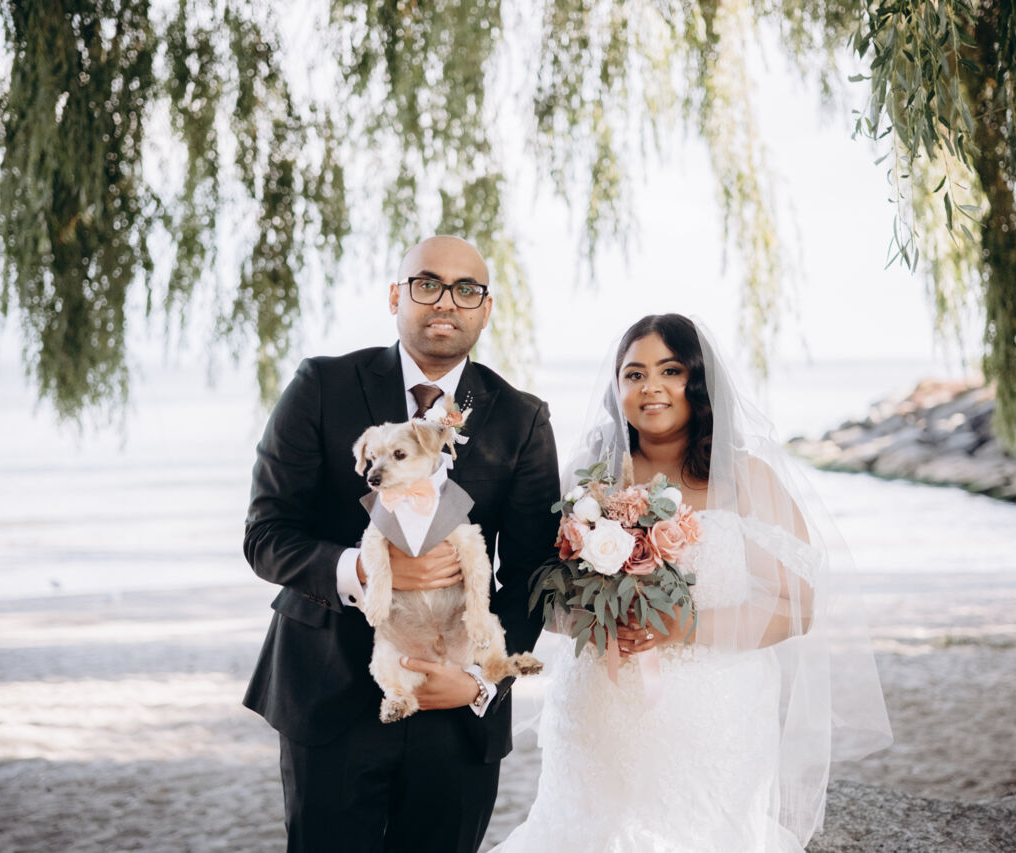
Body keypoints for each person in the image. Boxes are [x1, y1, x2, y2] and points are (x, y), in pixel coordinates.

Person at [492, 314, 891, 852]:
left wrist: (686, 624)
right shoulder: (592, 479)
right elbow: (546, 596)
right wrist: (599, 618)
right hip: (595, 711)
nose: (650, 387)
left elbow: (797, 604)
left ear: (698, 382)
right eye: (634, 374)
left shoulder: (746, 478)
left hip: (712, 717)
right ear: (617, 389)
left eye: (670, 370)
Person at [242, 235, 561, 853]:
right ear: (396, 296)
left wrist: (478, 680)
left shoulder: (521, 418)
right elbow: (266, 534)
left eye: (466, 289)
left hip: (455, 705)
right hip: (329, 693)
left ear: (486, 308)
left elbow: (532, 572)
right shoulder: (322, 385)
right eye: (427, 284)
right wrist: (359, 571)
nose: (446, 301)